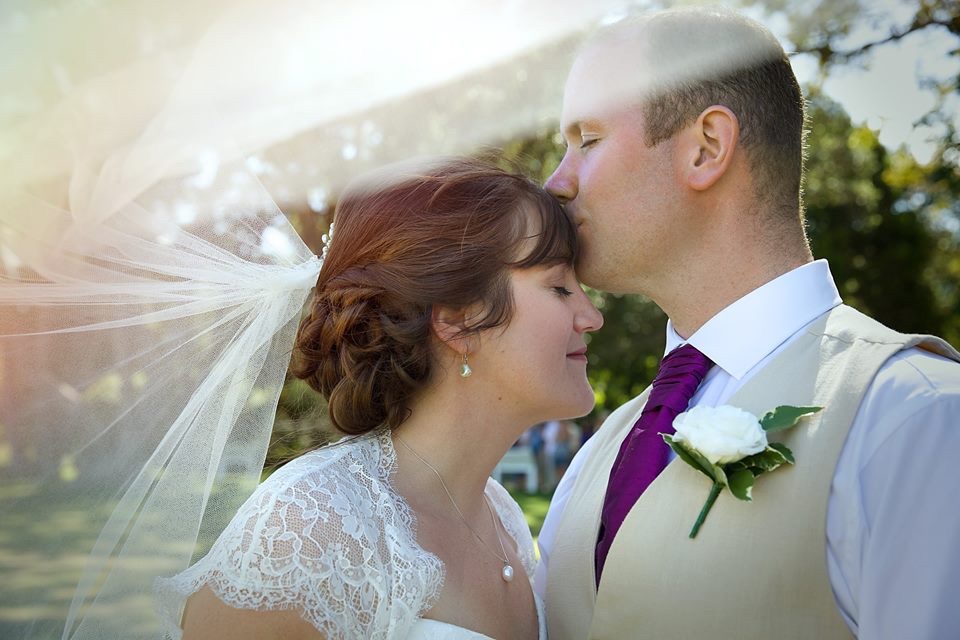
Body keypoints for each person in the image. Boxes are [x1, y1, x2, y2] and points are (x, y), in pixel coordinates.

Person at [533, 7, 960, 640]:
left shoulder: (915, 419)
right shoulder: (601, 452)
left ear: (706, 147)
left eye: (587, 141)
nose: (556, 182)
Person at [153, 157, 603, 639]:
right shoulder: (311, 527)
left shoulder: (504, 518)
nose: (591, 316)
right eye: (559, 288)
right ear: (457, 320)